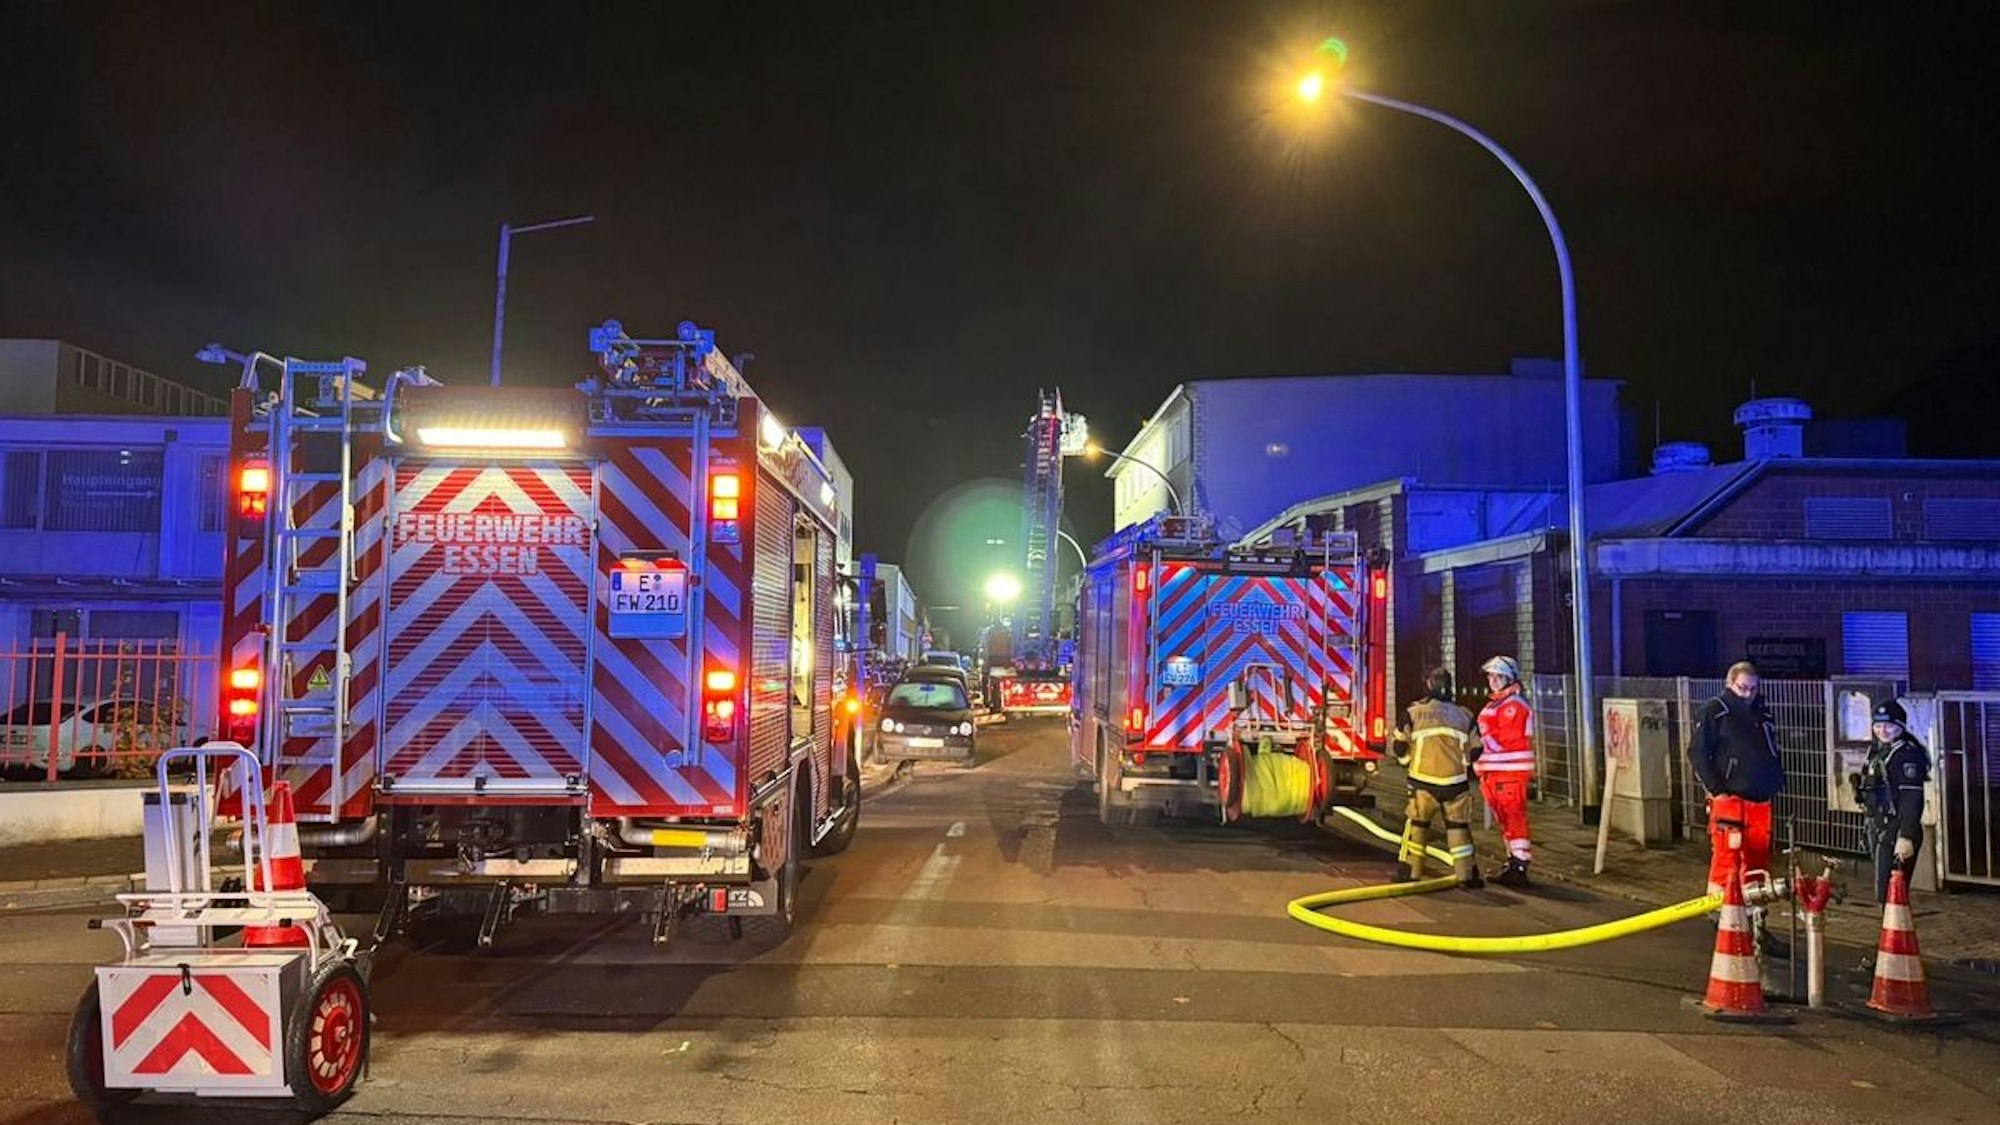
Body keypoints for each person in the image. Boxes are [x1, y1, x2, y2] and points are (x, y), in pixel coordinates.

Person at [1687, 661, 1786, 900]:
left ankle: (1753, 910)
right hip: (1730, 798)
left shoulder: (1762, 713)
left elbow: (1771, 750)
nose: (1748, 694)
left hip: (1760, 798)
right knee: (1727, 856)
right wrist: (1717, 790)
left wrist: (1774, 780)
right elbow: (1698, 752)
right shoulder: (1716, 710)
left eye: (1752, 689)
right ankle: (1719, 909)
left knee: (1757, 857)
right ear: (1730, 684)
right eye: (1743, 688)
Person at [1392, 666, 1482, 888]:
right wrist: (1463, 763)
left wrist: (1406, 760)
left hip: (1422, 782)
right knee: (1459, 829)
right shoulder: (1465, 715)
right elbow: (1476, 749)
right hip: (1456, 783)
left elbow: (1399, 746)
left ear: (1429, 684)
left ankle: (1411, 872)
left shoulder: (1414, 713)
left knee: (1417, 826)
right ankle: (1467, 876)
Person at [1852, 699, 1930, 904]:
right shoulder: (1877, 750)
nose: (1883, 730)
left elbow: (1912, 797)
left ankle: (1896, 926)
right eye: (1878, 725)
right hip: (1878, 824)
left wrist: (1906, 836)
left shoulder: (1907, 754)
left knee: (1891, 893)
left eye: (1889, 725)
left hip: (1896, 826)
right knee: (1884, 892)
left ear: (1900, 726)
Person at [1475, 655, 1536, 887]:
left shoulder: (1513, 705)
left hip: (1509, 772)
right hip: (1495, 772)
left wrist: (1476, 745)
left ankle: (1519, 866)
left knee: (1513, 817)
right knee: (1506, 819)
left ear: (1509, 678)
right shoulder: (1498, 703)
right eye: (1491, 676)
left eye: (1498, 676)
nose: (1493, 681)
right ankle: (1513, 862)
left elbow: (1505, 739)